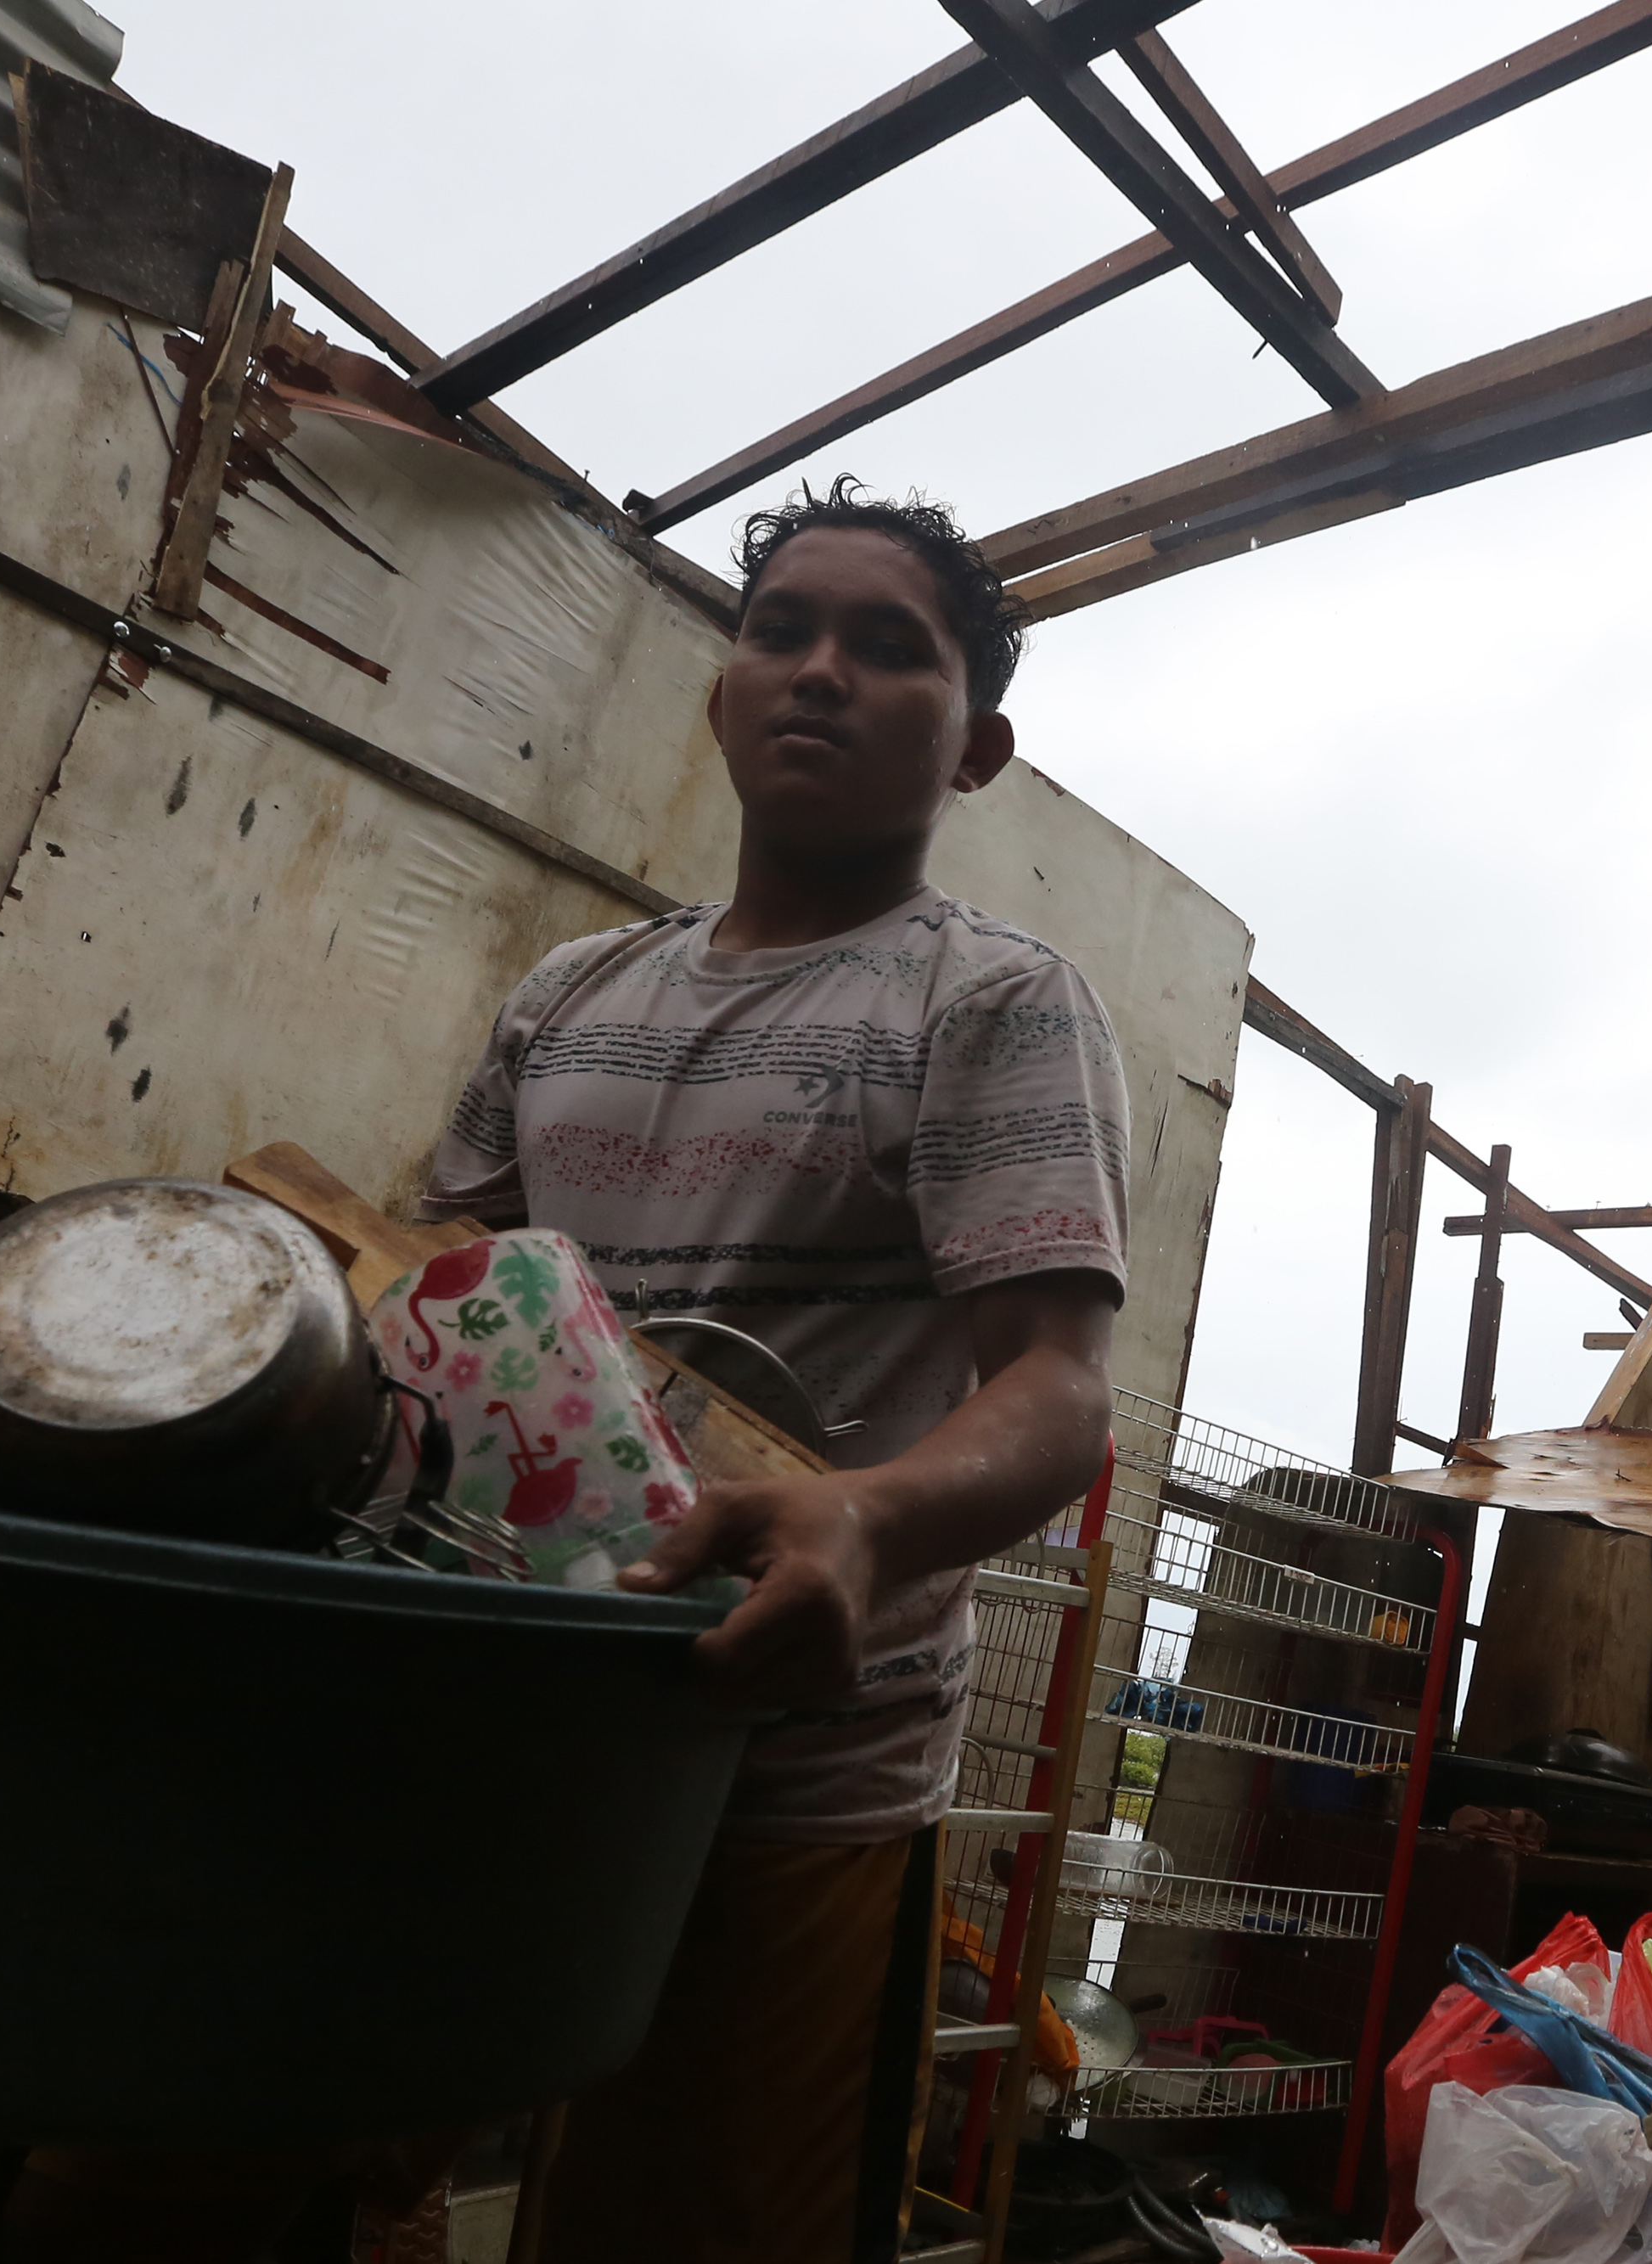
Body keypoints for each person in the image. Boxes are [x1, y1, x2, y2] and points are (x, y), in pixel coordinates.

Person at [419, 481, 1128, 2263]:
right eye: (780, 630)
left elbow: (1058, 1385)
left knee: (694, 2227)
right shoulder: (565, 995)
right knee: (265, 2152)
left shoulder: (990, 1001)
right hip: (502, 1710)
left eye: (889, 649)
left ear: (975, 748)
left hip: (801, 1762)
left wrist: (866, 1521)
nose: (819, 670)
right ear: (722, 690)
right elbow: (442, 1298)